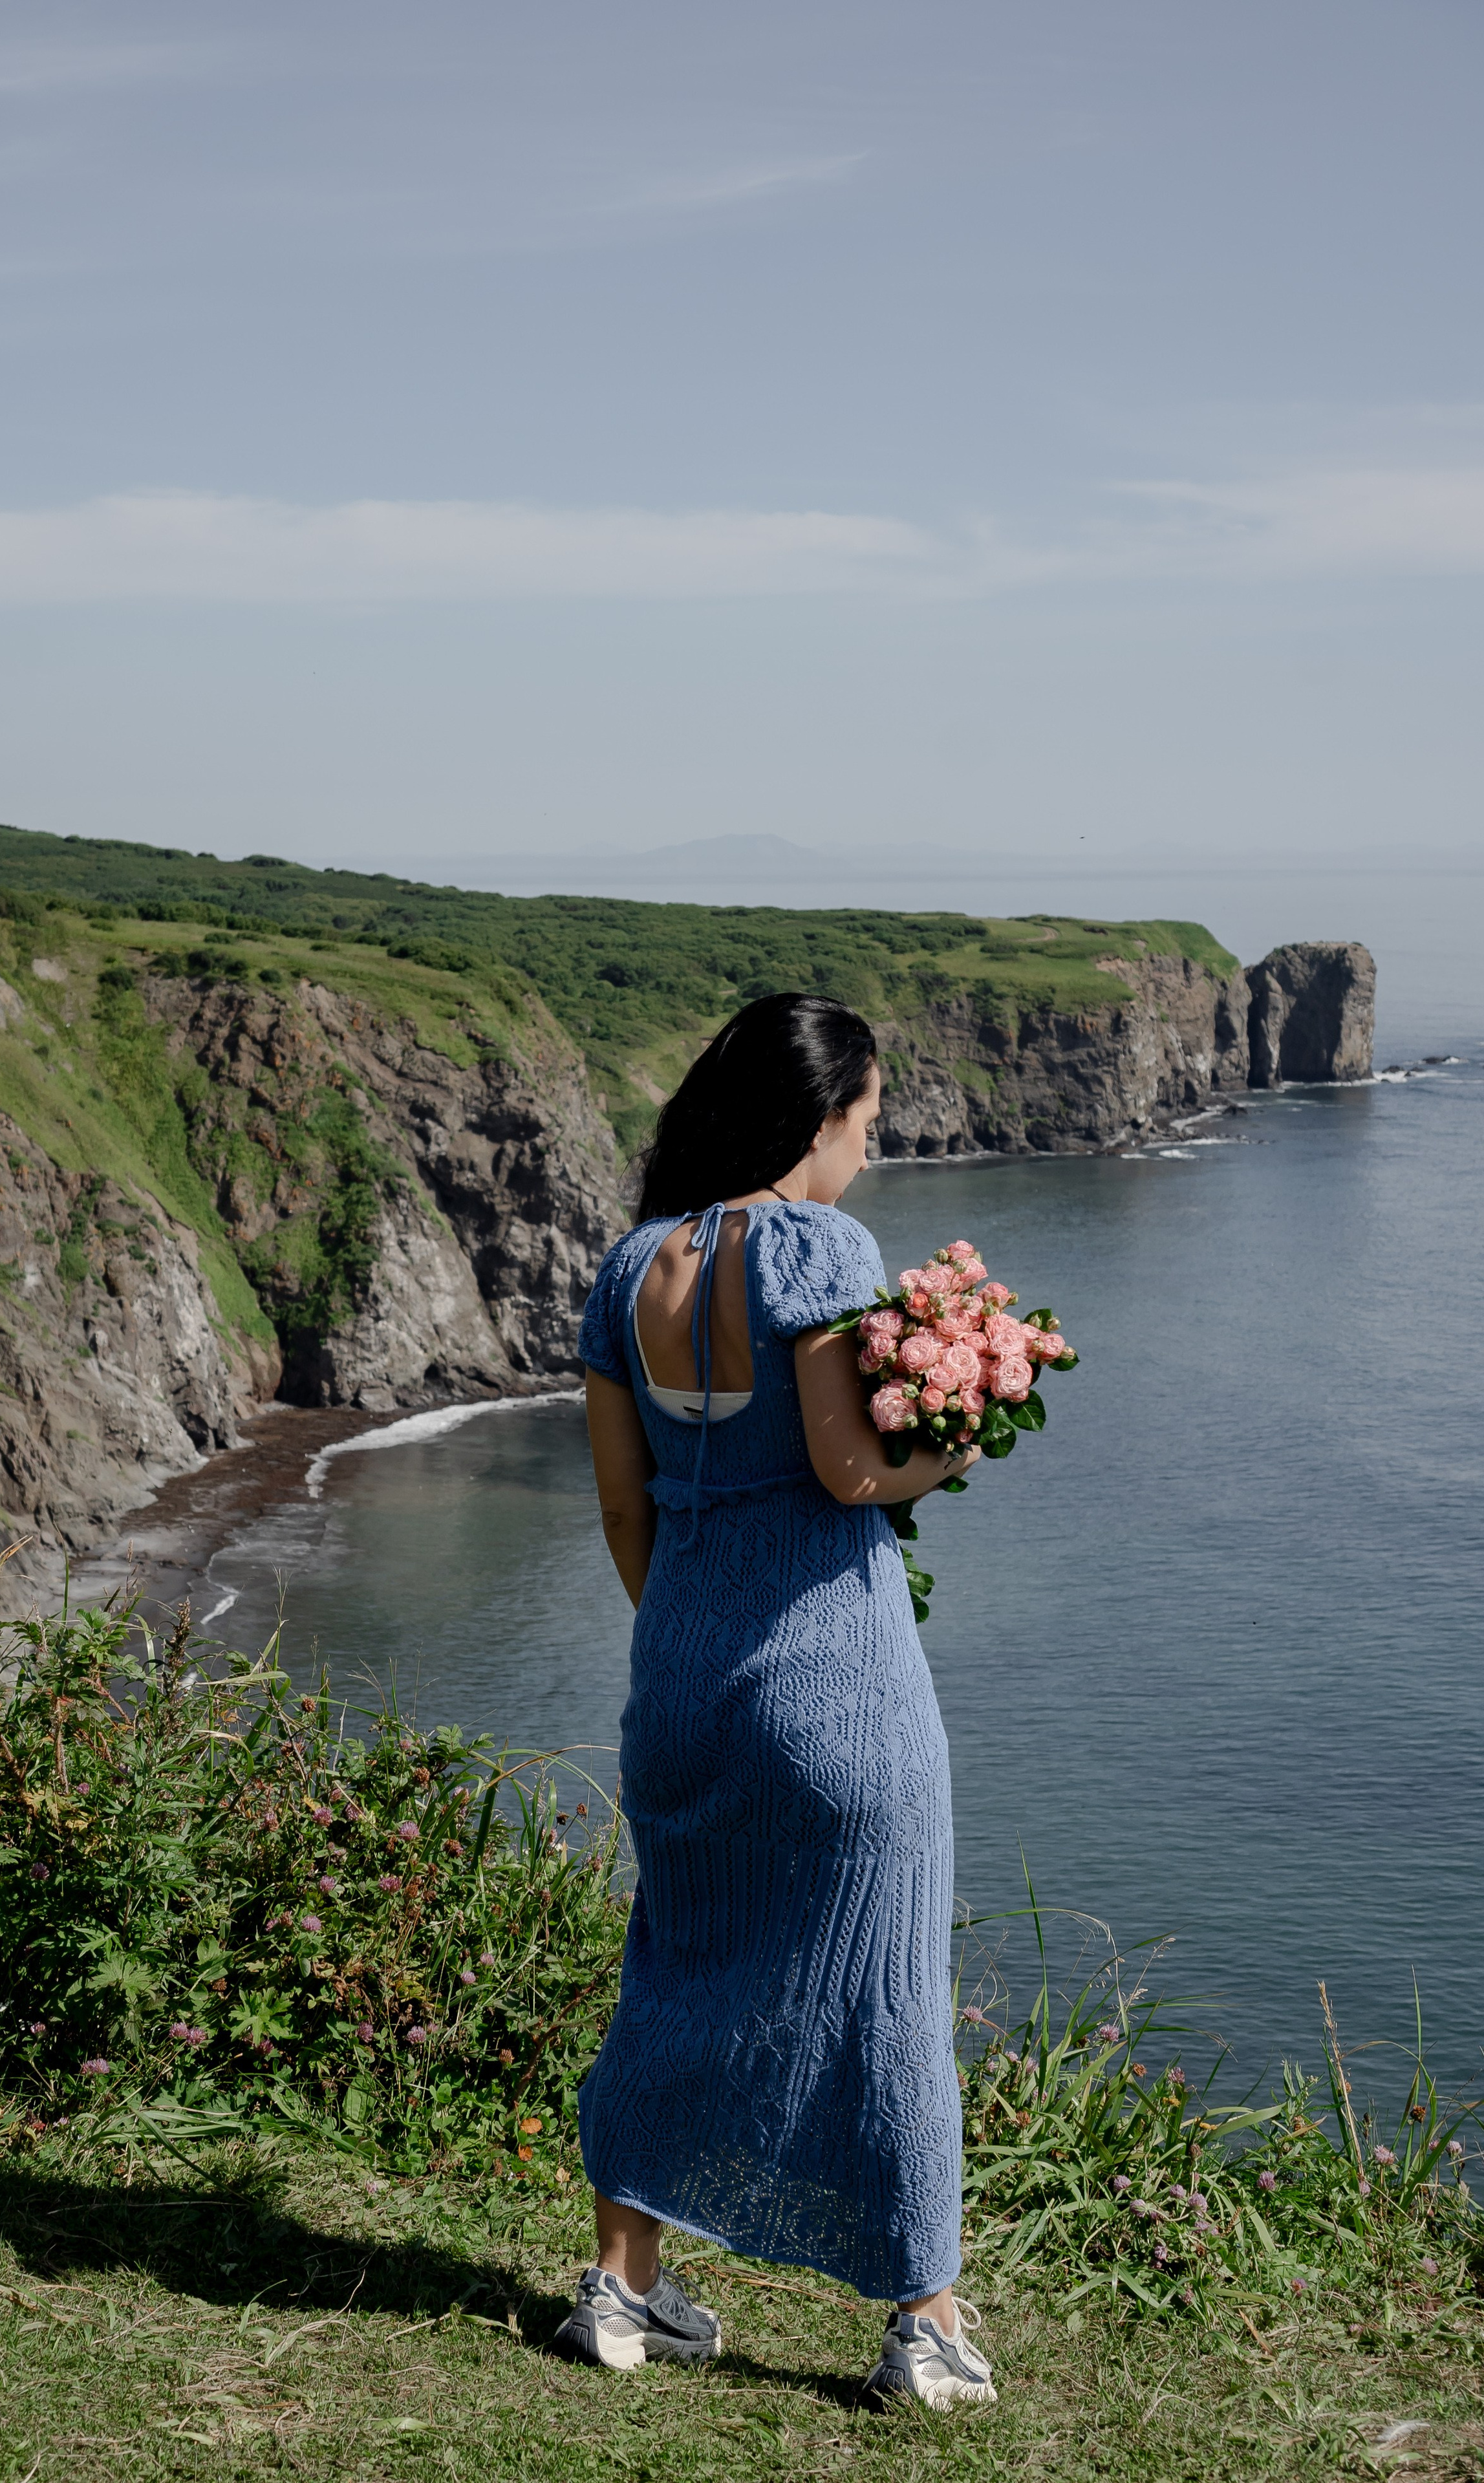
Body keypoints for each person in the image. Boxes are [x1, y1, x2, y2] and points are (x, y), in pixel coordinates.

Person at [552, 991, 995, 2411]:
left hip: (680, 1681)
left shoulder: (626, 1271)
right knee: (885, 1991)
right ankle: (921, 2328)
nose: (869, 1153)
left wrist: (696, 1641)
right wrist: (962, 1434)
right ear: (814, 1118)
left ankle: (622, 2293)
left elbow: (627, 1515)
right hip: (835, 1688)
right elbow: (850, 1473)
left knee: (674, 1969)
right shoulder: (816, 1247)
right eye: (866, 1124)